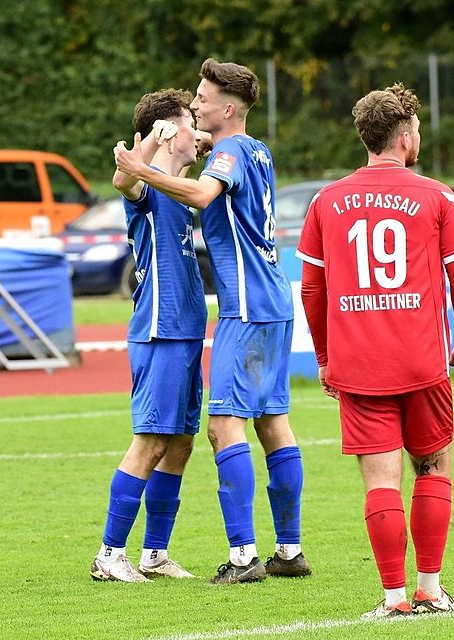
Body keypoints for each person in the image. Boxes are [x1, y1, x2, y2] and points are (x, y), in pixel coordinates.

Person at [114, 58, 310, 584]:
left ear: (227, 108)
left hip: (244, 306)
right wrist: (165, 155)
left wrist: (146, 167)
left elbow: (203, 194)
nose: (196, 106)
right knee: (273, 423)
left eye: (202, 99)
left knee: (224, 427)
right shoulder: (257, 149)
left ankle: (243, 558)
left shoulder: (227, 152)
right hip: (274, 300)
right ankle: (288, 550)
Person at [296, 83, 454, 618]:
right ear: (406, 134)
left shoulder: (326, 201)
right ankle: (430, 589)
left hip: (359, 367)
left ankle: (394, 598)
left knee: (380, 483)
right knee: (433, 469)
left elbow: (311, 289)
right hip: (423, 363)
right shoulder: (437, 196)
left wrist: (326, 357)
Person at [89, 89, 210, 583]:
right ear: (165, 131)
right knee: (151, 440)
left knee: (180, 442)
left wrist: (194, 136)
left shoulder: (177, 188)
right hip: (159, 331)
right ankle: (109, 553)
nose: (195, 131)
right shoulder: (148, 186)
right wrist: (147, 149)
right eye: (188, 123)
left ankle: (154, 553)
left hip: (185, 333)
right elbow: (123, 180)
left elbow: (196, 142)